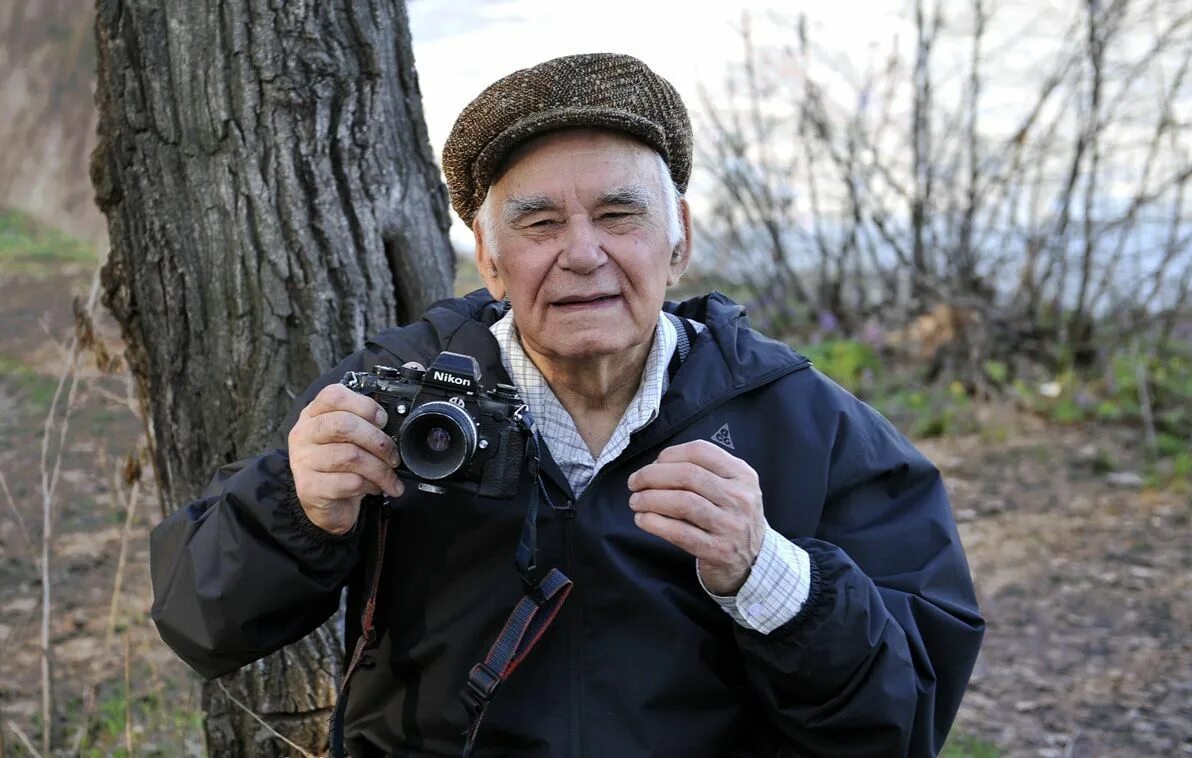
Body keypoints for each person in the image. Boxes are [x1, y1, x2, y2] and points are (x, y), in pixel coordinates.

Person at [150, 53, 984, 757]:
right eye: (539, 223)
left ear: (679, 238)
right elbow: (200, 624)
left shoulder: (801, 422)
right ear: (488, 256)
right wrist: (300, 512)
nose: (582, 254)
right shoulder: (399, 392)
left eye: (620, 214)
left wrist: (771, 576)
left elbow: (902, 725)